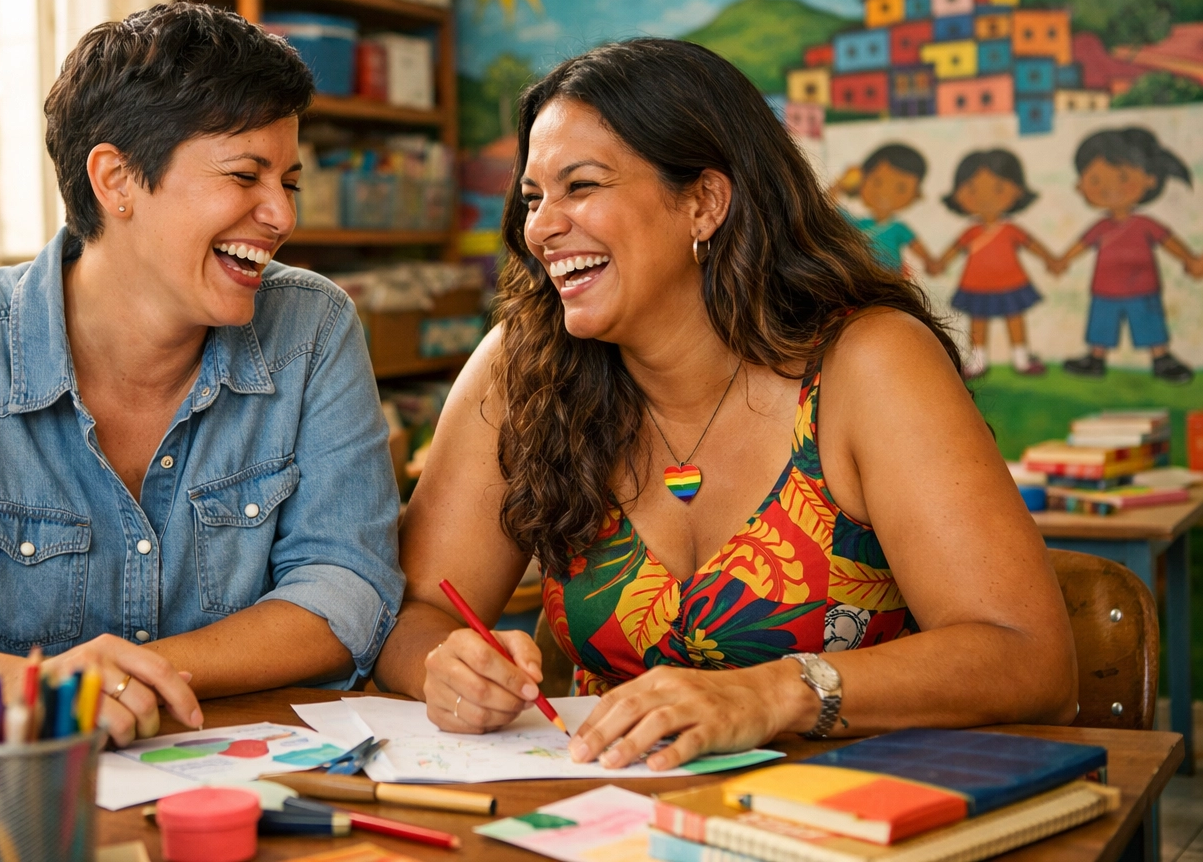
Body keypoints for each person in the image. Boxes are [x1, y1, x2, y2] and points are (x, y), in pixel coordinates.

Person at [373, 39, 1076, 771]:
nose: (541, 227)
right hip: (607, 817)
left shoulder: (868, 364)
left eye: (580, 186)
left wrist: (773, 694)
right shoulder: (523, 369)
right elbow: (409, 614)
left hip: (852, 818)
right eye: (532, 197)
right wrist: (445, 668)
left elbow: (1029, 660)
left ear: (704, 202)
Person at [0, 3, 405, 746]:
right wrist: (40, 694)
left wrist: (125, 678)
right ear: (117, 178)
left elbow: (346, 590)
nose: (280, 215)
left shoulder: (314, 329)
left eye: (287, 182)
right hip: (6, 802)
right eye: (244, 175)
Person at [1054, 128, 1202, 384]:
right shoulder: (1101, 227)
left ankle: (1161, 358)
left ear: (1150, 180)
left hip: (1142, 288)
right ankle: (1095, 359)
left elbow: (1169, 242)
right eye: (1096, 180)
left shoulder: (1145, 224)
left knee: (1149, 324)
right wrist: (1062, 260)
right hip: (1105, 290)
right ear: (1081, 185)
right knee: (1101, 325)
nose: (1110, 187)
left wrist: (1189, 259)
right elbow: (1081, 244)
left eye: (1123, 176)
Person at [927, 149, 1059, 378]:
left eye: (998, 188)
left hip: (1011, 282)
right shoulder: (971, 232)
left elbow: (1032, 244)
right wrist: (939, 263)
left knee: (1015, 318)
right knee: (978, 322)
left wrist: (1050, 259)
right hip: (976, 284)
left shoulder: (1010, 230)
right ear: (958, 195)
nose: (986, 197)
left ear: (1017, 191)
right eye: (972, 189)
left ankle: (1021, 358)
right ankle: (978, 361)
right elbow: (954, 249)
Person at [828, 143, 933, 274]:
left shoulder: (899, 229)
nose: (885, 193)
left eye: (901, 188)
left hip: (892, 279)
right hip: (866, 278)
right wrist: (839, 185)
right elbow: (828, 206)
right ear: (862, 182)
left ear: (916, 194)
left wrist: (929, 261)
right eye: (877, 182)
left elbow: (915, 246)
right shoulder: (860, 224)